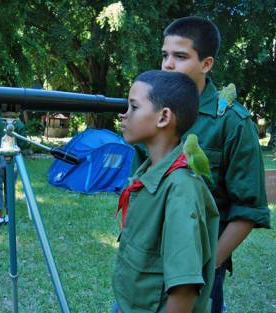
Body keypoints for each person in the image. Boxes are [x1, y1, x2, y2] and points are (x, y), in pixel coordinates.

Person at [132, 16, 272, 313]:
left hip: (200, 261)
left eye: (180, 56)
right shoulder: (151, 111)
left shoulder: (233, 123)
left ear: (206, 64)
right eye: (164, 55)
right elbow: (140, 184)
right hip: (145, 259)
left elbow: (248, 209)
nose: (168, 64)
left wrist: (209, 264)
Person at [113, 70, 219, 313]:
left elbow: (184, 291)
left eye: (133, 107)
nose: (123, 115)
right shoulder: (148, 174)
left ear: (163, 118)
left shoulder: (180, 190)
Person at [0, 110, 29, 226]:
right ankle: (8, 217)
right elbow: (23, 144)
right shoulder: (19, 124)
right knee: (10, 188)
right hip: (13, 158)